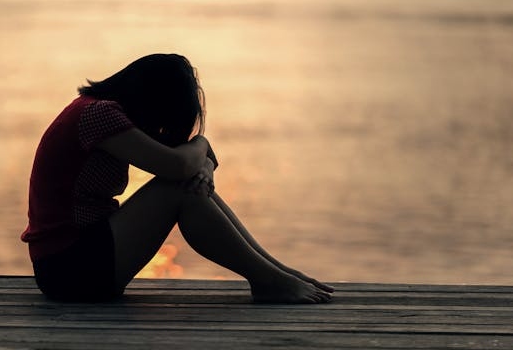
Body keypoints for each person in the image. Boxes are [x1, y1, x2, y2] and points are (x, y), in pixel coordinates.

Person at [22, 53, 333, 303]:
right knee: (176, 189)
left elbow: (193, 164)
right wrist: (202, 144)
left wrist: (205, 168)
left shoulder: (100, 113)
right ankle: (269, 280)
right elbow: (179, 165)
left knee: (185, 186)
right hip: (68, 269)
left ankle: (275, 272)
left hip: (78, 262)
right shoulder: (99, 115)